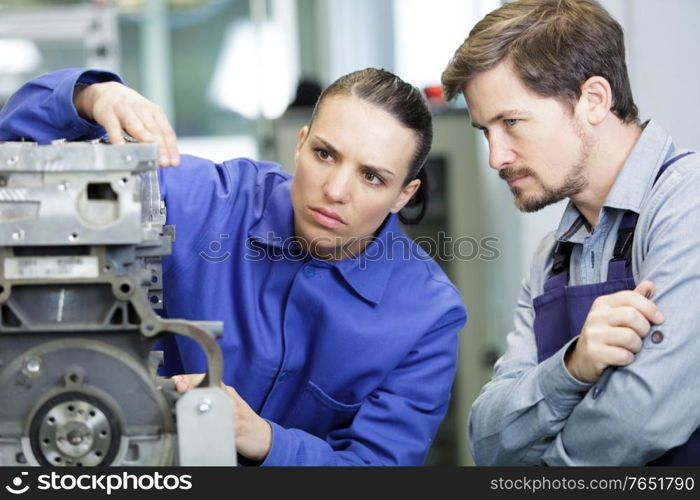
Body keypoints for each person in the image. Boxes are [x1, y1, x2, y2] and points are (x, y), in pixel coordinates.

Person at [0, 67, 466, 465]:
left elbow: (377, 466)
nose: (336, 190)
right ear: (300, 145)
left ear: (404, 194)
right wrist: (89, 94)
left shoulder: (427, 316)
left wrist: (263, 439)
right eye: (325, 154)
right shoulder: (204, 202)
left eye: (372, 176)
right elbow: (18, 161)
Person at [441, 0, 699, 465]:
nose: (495, 157)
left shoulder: (688, 208)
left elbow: (639, 420)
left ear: (594, 101)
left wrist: (541, 467)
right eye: (485, 131)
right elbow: (487, 440)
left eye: (512, 122)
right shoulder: (550, 258)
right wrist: (572, 368)